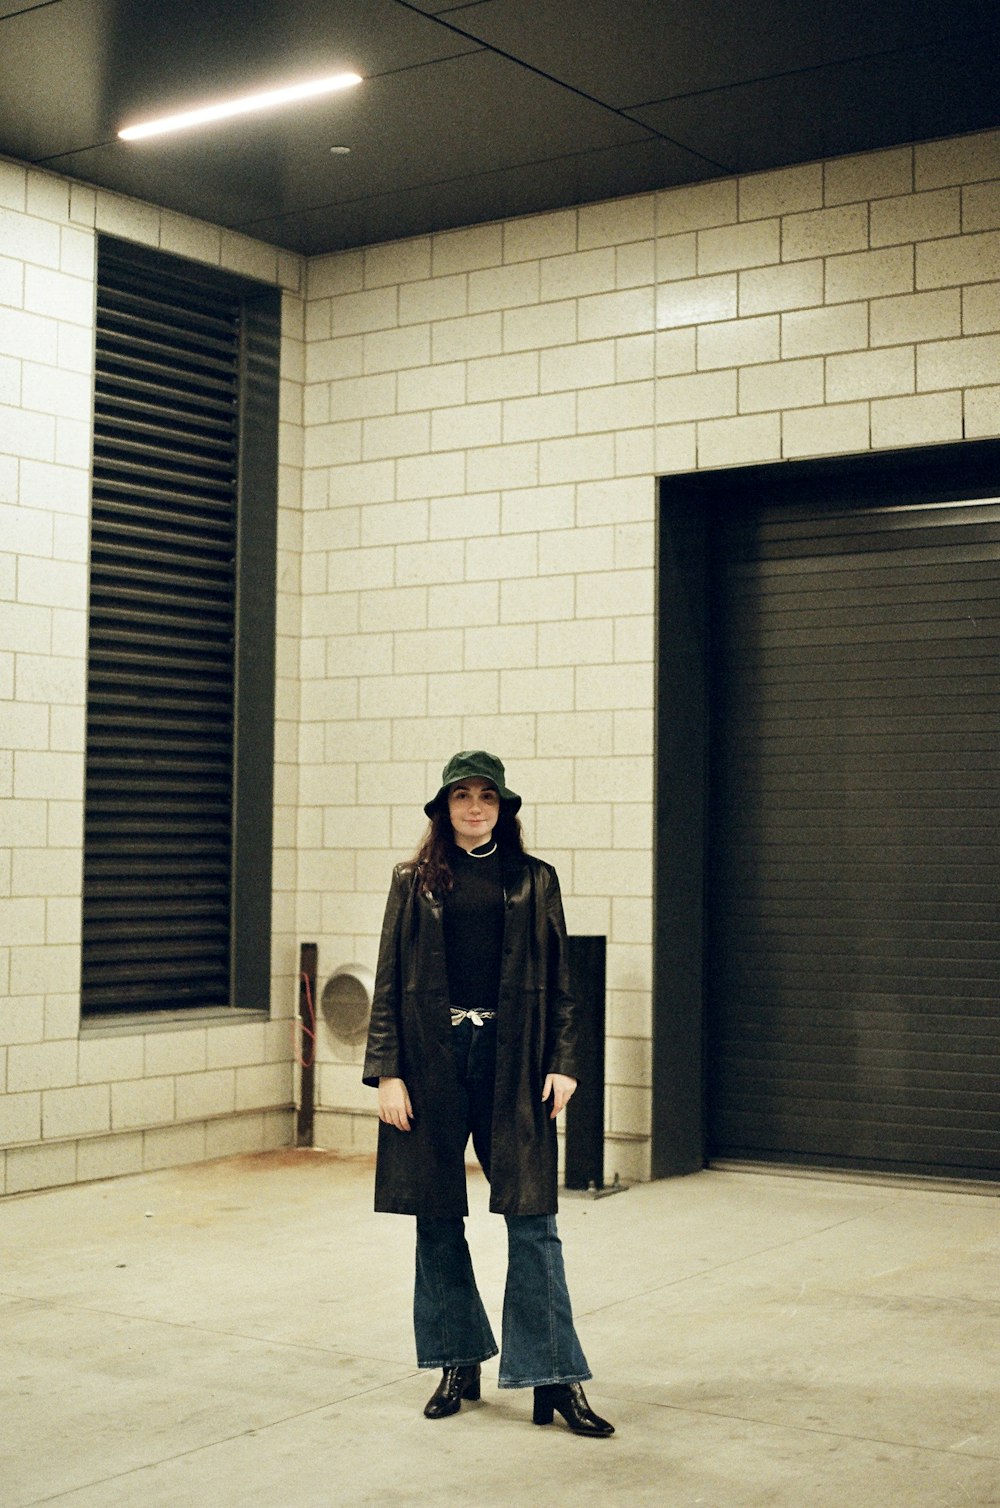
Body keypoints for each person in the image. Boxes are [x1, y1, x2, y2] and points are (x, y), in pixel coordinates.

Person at [363, 750, 615, 1437]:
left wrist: (564, 1062)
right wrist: (388, 1071)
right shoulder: (413, 881)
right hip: (432, 1062)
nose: (474, 807)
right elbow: (388, 980)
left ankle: (554, 1377)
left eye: (487, 797)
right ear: (443, 809)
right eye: (462, 797)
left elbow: (564, 983)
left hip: (514, 1064)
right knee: (437, 1213)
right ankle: (457, 1358)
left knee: (533, 1221)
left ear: (503, 808)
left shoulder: (534, 881)